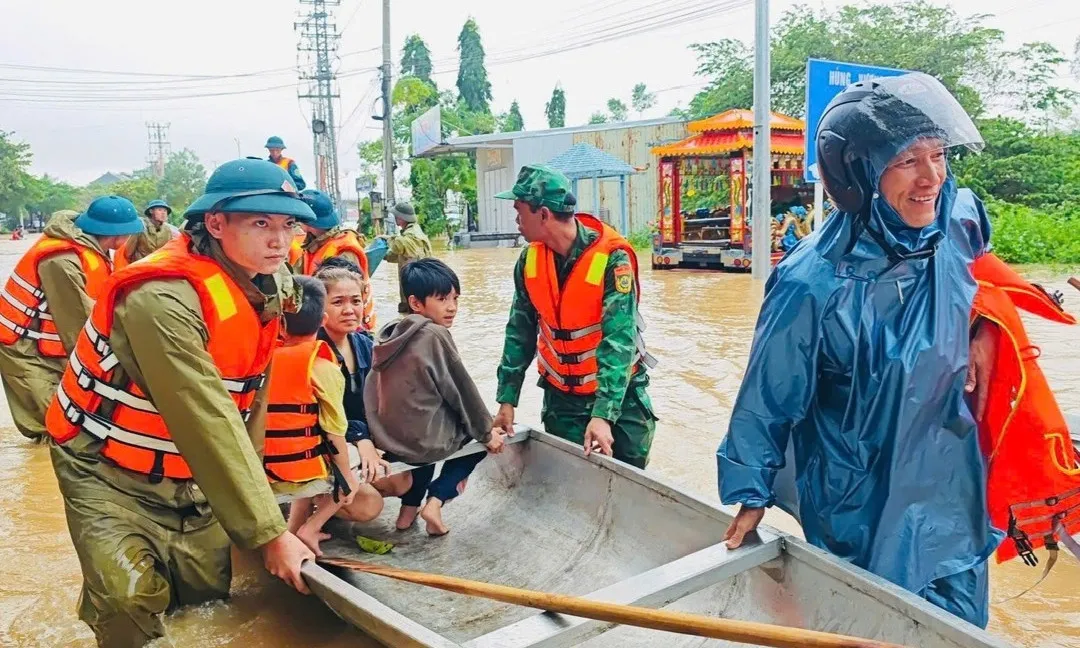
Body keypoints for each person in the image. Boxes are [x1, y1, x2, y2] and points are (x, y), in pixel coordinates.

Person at [716, 73, 1002, 628]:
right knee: (873, 628)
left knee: (962, 634)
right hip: (863, 504)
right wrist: (751, 490)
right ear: (857, 175)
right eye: (907, 161)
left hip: (952, 492)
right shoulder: (813, 283)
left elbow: (990, 282)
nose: (931, 178)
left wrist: (985, 328)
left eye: (938, 155)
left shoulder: (958, 220)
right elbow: (769, 396)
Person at [42, 158, 317, 647]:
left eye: (288, 224)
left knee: (204, 601)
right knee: (127, 602)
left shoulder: (266, 276)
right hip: (106, 471)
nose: (280, 241)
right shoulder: (160, 299)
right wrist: (271, 533)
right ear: (214, 223)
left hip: (190, 477)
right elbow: (206, 415)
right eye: (260, 223)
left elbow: (258, 373)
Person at [491, 164, 658, 469]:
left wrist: (603, 414)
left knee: (630, 474)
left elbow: (618, 340)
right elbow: (519, 332)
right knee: (569, 475)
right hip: (563, 400)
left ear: (543, 215)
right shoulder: (529, 261)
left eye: (519, 209)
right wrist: (507, 399)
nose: (515, 218)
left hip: (621, 399)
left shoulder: (613, 259)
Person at [365, 258, 505, 536]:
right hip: (422, 444)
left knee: (429, 427)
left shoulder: (390, 333)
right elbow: (463, 392)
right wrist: (488, 434)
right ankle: (437, 500)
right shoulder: (435, 335)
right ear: (416, 303)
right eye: (442, 299)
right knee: (475, 439)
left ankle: (406, 515)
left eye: (455, 298)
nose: (452, 307)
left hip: (391, 440)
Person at [0, 201, 143, 442]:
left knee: (72, 413)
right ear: (115, 234)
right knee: (56, 423)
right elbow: (76, 323)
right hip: (23, 346)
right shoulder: (62, 260)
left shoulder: (90, 249)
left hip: (48, 343)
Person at [265, 275, 386, 555]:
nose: (349, 309)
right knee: (349, 479)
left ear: (280, 323)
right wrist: (346, 475)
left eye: (356, 301)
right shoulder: (322, 365)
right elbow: (335, 429)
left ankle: (292, 531)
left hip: (270, 463)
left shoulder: (268, 359)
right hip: (311, 459)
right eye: (338, 302)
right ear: (321, 318)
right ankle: (309, 528)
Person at [289, 188, 375, 331]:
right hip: (326, 321)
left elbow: (347, 298)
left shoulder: (344, 252)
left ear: (307, 221)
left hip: (349, 326)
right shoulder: (313, 244)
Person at [379, 202, 433, 314]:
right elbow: (400, 256)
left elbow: (399, 245)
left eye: (396, 216)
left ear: (401, 218)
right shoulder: (414, 231)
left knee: (413, 314)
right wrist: (381, 255)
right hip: (418, 286)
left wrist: (388, 240)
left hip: (415, 287)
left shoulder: (410, 236)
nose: (395, 218)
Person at [114, 199, 178, 269]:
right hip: (140, 268)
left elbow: (169, 252)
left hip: (159, 269)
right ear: (151, 211)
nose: (163, 213)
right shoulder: (140, 227)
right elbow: (128, 253)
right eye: (159, 210)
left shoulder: (167, 230)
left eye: (165, 211)